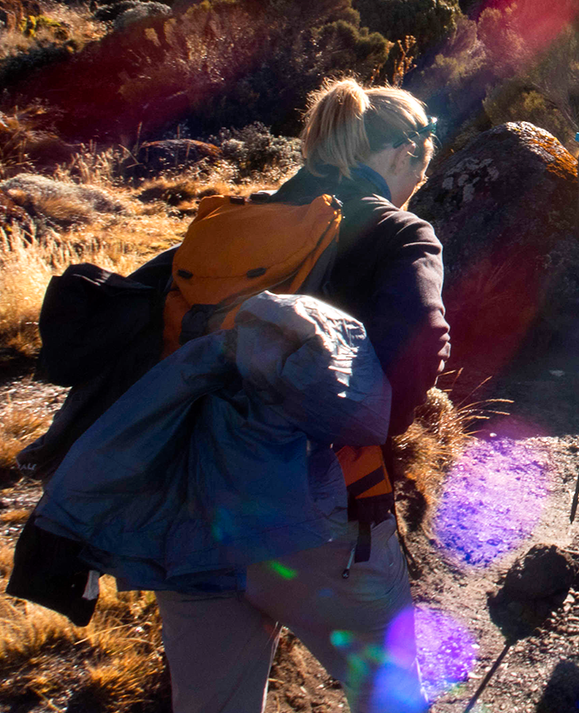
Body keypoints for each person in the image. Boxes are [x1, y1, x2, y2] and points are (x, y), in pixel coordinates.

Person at [145, 80, 449, 713]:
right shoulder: (399, 233)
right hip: (319, 516)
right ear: (401, 155)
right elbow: (422, 338)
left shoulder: (238, 222)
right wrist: (381, 424)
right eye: (424, 157)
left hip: (196, 507)